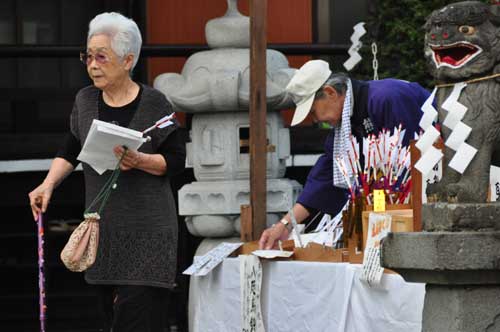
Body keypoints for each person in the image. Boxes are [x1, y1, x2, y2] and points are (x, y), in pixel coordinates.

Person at [28, 12, 186, 332]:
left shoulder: (156, 104)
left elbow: (177, 160)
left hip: (149, 235)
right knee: (109, 319)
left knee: (138, 318)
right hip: (104, 233)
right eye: (88, 56)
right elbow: (71, 148)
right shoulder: (85, 100)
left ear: (127, 60)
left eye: (101, 56)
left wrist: (140, 160)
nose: (92, 64)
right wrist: (47, 185)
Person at [259, 59, 429, 250]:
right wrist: (284, 224)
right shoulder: (343, 129)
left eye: (313, 111)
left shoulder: (387, 98)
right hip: (386, 213)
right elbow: (324, 178)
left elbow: (410, 165)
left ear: (330, 93)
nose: (314, 119)